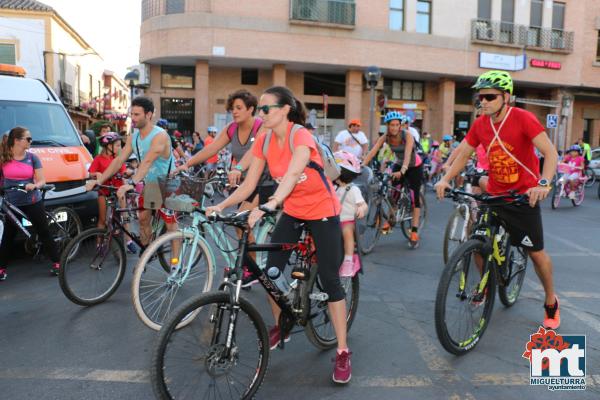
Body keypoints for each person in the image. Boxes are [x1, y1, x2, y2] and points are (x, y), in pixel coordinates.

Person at [205, 86, 353, 384]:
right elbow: (248, 185)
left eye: (266, 109)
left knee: (330, 278)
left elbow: (291, 174)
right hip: (294, 210)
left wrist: (271, 204)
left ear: (285, 109)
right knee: (270, 272)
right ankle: (281, 323)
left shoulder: (301, 135)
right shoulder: (263, 139)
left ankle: (342, 351)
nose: (261, 114)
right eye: (259, 109)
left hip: (322, 209)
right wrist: (219, 206)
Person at [435, 69, 560, 330]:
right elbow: (464, 153)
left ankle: (551, 301)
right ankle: (487, 286)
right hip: (494, 194)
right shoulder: (481, 124)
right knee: (479, 244)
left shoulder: (523, 118)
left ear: (506, 97)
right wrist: (446, 178)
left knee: (535, 253)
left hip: (522, 197)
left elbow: (550, 153)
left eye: (490, 97)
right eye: (480, 98)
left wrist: (544, 184)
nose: (483, 102)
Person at [86, 96, 177, 251]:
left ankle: (176, 265)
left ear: (148, 115)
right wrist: (100, 180)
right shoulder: (133, 138)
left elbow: (147, 161)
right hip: (151, 185)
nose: (132, 118)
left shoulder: (160, 135)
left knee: (171, 226)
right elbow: (119, 160)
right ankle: (147, 253)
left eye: (137, 115)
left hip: (166, 184)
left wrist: (131, 183)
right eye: (131, 114)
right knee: (143, 219)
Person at [0, 127, 61, 278]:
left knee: (44, 232)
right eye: (28, 139)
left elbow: (42, 180)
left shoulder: (33, 158)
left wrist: (35, 185)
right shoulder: (3, 158)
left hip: (32, 200)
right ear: (17, 141)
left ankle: (57, 263)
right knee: (8, 236)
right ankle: (1, 269)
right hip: (12, 203)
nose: (30, 141)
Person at [363, 110, 424, 248]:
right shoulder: (386, 137)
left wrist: (402, 171)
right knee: (393, 193)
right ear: (387, 125)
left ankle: (414, 231)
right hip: (399, 164)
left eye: (397, 125)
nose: (394, 127)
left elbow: (408, 155)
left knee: (415, 198)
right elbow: (373, 151)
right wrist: (361, 166)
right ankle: (391, 219)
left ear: (400, 125)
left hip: (414, 166)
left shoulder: (407, 136)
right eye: (392, 125)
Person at [88, 132, 137, 254]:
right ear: (108, 146)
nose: (119, 148)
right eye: (117, 145)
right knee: (103, 219)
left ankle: (129, 241)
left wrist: (128, 172)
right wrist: (96, 175)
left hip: (118, 190)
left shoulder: (117, 159)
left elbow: (124, 171)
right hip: (104, 191)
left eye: (120, 145)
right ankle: (99, 243)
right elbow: (90, 173)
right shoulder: (98, 159)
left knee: (124, 217)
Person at [334, 151, 367, 277]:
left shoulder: (353, 189)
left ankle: (348, 260)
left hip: (348, 221)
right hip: (336, 220)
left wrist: (361, 209)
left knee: (346, 231)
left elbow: (362, 203)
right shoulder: (334, 188)